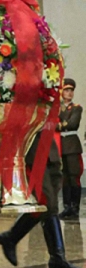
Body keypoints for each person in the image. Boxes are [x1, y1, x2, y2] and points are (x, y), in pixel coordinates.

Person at [0, 133, 82, 268]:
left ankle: (57, 257)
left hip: (48, 146)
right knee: (46, 202)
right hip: (31, 150)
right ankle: (12, 237)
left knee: (51, 205)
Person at [58, 78, 82, 219]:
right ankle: (67, 207)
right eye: (66, 90)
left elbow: (73, 124)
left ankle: (75, 207)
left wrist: (59, 124)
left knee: (74, 177)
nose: (69, 93)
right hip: (61, 144)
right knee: (65, 178)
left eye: (71, 90)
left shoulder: (76, 108)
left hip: (72, 145)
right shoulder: (56, 107)